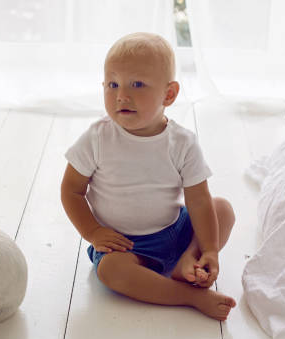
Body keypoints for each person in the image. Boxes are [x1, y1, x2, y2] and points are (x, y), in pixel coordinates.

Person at [61, 32, 236, 321]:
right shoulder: (97, 138)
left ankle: (188, 259)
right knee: (111, 271)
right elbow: (71, 191)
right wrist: (92, 232)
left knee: (222, 209)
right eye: (113, 84)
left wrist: (210, 249)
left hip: (172, 230)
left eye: (137, 84)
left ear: (169, 94)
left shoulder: (182, 142)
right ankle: (188, 295)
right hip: (124, 245)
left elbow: (200, 202)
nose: (121, 96)